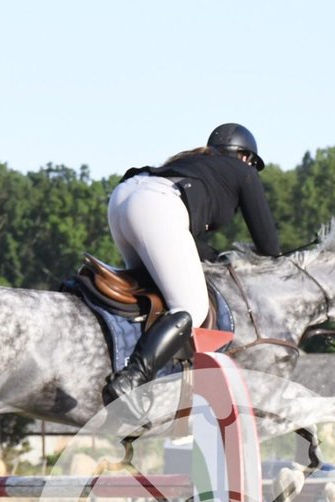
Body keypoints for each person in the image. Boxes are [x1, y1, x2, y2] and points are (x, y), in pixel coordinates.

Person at [102, 122, 283, 409]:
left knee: (148, 297)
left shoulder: (195, 163)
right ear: (245, 156)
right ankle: (132, 379)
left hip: (123, 196)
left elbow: (183, 240)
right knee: (192, 309)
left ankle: (120, 361)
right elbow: (269, 246)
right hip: (156, 205)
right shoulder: (243, 170)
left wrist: (217, 256)